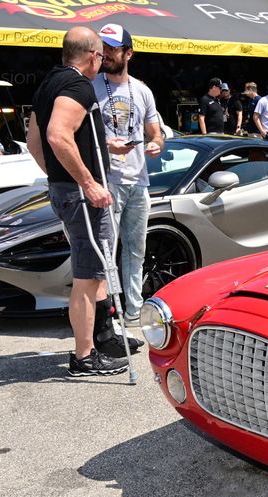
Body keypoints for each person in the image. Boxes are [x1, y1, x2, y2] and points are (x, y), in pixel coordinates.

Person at [26, 26, 127, 376]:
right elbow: (57, 135)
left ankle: (102, 337)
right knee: (87, 276)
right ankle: (84, 357)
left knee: (94, 273)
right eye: (100, 56)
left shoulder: (48, 84)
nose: (101, 62)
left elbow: (35, 144)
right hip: (82, 196)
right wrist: (86, 183)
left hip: (65, 191)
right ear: (92, 56)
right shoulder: (77, 85)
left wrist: (58, 176)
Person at [93, 22, 163, 338]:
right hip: (107, 180)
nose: (105, 53)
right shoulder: (90, 87)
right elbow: (81, 134)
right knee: (106, 250)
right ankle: (110, 312)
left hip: (139, 181)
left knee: (136, 248)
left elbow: (155, 132)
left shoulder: (143, 90)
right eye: (102, 47)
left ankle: (133, 310)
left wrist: (155, 144)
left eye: (112, 48)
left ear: (128, 53)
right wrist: (109, 144)